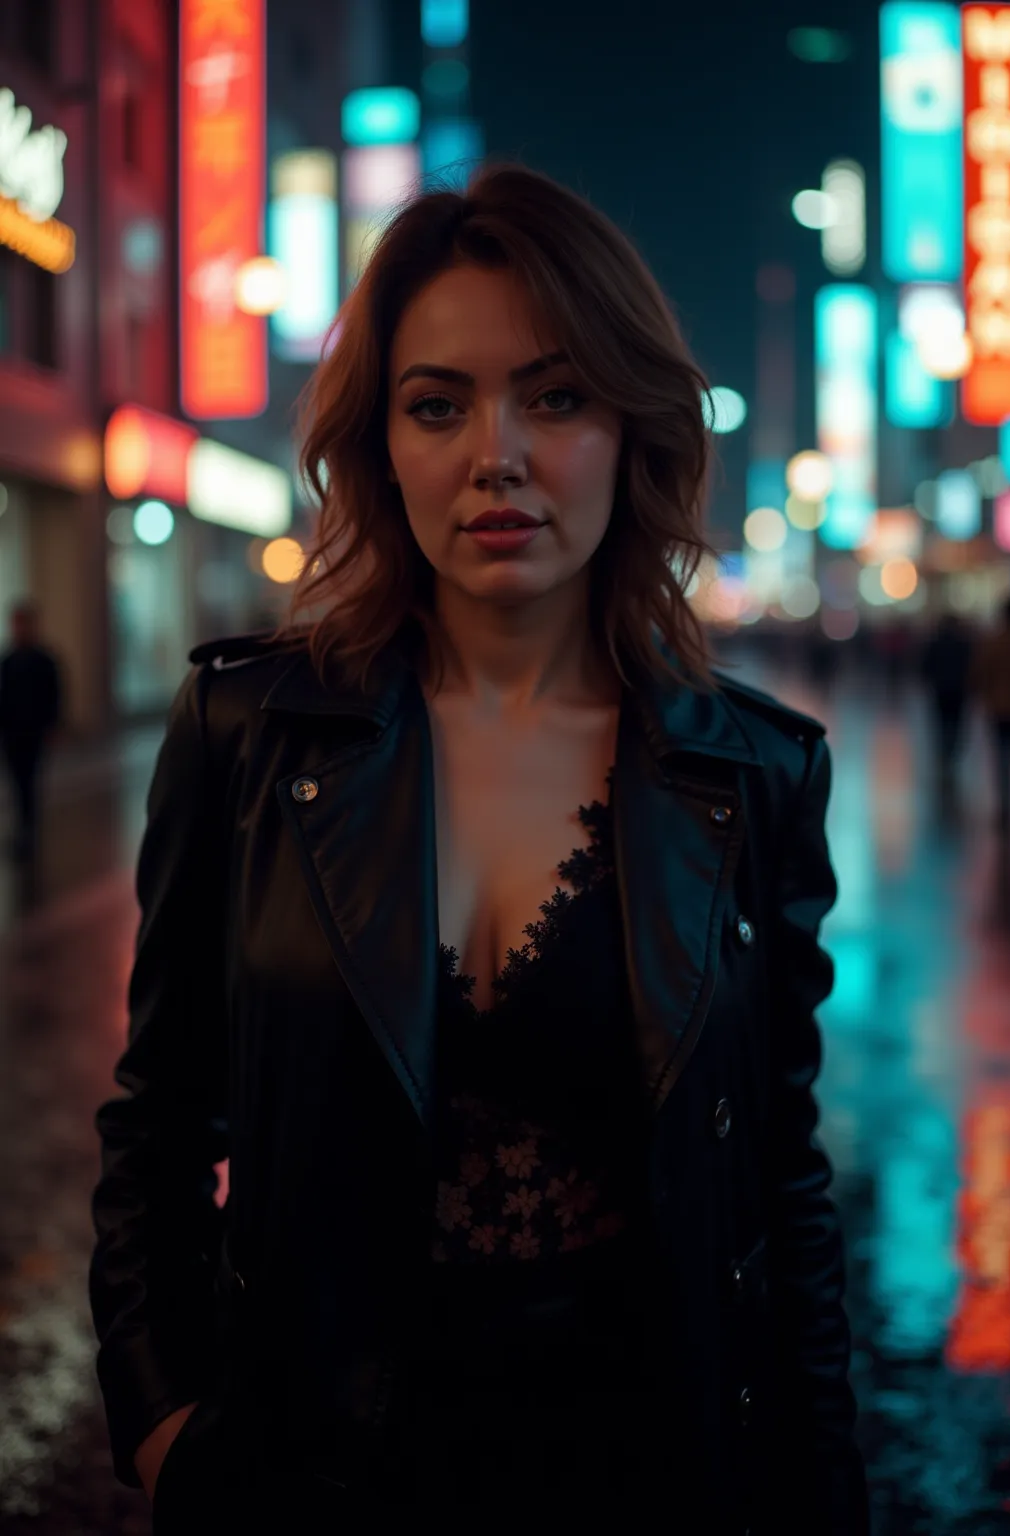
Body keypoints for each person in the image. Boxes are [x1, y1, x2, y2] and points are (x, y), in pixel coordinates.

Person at [88, 164, 868, 1532]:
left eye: (554, 397)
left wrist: (819, 1487)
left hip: (651, 1467)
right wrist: (165, 1426)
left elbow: (776, 1185)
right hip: (322, 1470)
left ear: (632, 430)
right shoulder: (251, 736)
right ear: (382, 443)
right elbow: (158, 1122)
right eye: (438, 403)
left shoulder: (750, 773)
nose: (495, 453)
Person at [0, 600, 63, 860]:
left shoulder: (43, 660)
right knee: (17, 783)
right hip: (12, 732)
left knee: (29, 782)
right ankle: (23, 831)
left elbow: (54, 695)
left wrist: (51, 726)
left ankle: (29, 832)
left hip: (32, 731)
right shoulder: (9, 659)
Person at [971, 594, 1010, 827]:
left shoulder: (993, 643)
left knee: (1002, 758)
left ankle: (1005, 806)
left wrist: (983, 699)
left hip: (999, 709)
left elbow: (982, 674)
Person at [920, 611, 974, 789]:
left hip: (941, 690)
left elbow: (926, 665)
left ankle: (944, 752)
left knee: (942, 723)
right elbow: (971, 667)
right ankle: (950, 753)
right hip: (958, 691)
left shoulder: (936, 642)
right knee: (956, 724)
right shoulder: (962, 644)